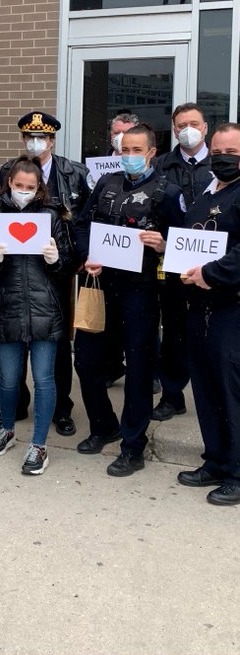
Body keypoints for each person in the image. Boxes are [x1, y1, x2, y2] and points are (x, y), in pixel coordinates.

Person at [74, 123, 185, 477]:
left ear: (152, 152)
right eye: (125, 150)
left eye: (137, 150)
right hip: (100, 287)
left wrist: (165, 244)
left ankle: (132, 447)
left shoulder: (168, 192)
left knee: (138, 372)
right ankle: (104, 424)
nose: (130, 156)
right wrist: (85, 254)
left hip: (141, 292)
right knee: (88, 362)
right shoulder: (106, 184)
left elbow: (186, 240)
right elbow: (81, 224)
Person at [0, 156, 78, 477]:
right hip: (9, 305)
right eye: (18, 186)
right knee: (8, 378)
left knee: (44, 378)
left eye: (30, 187)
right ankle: (7, 429)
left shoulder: (51, 216)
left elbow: (68, 267)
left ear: (39, 189)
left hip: (45, 306)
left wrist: (56, 258)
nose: (23, 191)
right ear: (9, 184)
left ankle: (39, 444)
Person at [0, 110, 89, 437]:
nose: (36, 142)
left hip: (57, 269)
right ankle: (16, 405)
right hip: (16, 270)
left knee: (56, 343)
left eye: (42, 137)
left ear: (52, 139)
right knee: (15, 336)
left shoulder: (74, 173)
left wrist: (72, 257)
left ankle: (61, 409)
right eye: (30, 137)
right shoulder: (8, 171)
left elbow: (84, 221)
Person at [177, 123, 240, 506]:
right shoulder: (205, 191)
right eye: (218, 151)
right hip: (198, 308)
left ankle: (236, 472)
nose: (223, 158)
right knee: (205, 388)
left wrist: (210, 273)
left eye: (232, 152)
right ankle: (215, 460)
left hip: (231, 308)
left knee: (232, 392)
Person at [151, 102, 213, 421]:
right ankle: (173, 395)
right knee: (174, 327)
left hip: (214, 264)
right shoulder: (162, 165)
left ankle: (214, 393)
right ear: (174, 130)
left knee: (211, 330)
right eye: (180, 125)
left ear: (205, 127)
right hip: (171, 259)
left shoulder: (223, 165)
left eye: (194, 123)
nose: (187, 129)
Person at [104, 113, 140, 386]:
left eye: (127, 133)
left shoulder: (152, 176)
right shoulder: (98, 169)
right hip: (105, 260)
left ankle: (144, 372)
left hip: (139, 266)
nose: (121, 138)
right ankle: (112, 365)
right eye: (117, 133)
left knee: (139, 324)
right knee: (110, 320)